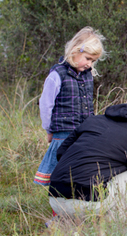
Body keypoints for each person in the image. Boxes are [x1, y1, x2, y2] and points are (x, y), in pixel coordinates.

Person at [48, 94, 127, 219]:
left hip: (55, 199)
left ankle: (64, 220)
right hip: (87, 203)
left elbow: (61, 152)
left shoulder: (93, 120)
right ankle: (116, 225)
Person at [34, 26, 106, 186]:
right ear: (75, 50)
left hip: (83, 134)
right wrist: (49, 129)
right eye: (87, 58)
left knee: (79, 172)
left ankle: (76, 204)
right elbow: (46, 105)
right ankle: (57, 207)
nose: (89, 64)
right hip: (63, 133)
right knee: (59, 172)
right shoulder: (57, 75)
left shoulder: (87, 76)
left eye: (93, 61)